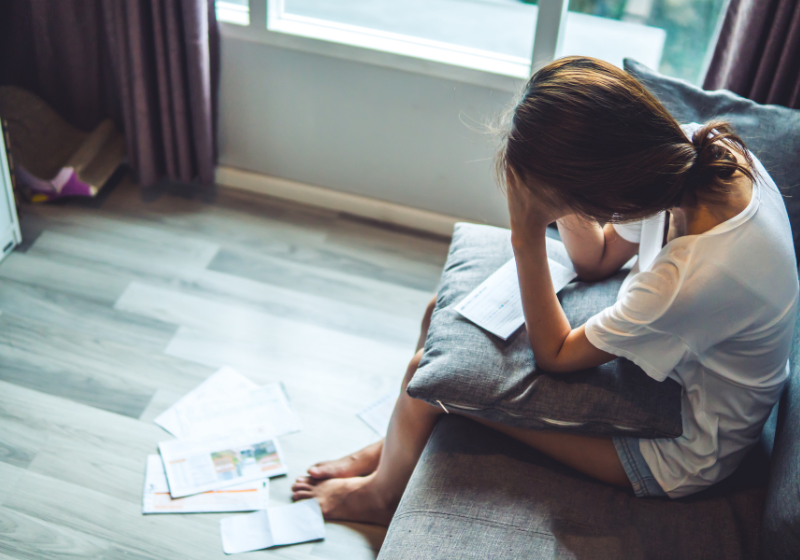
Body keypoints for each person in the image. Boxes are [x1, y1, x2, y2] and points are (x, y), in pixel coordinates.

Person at [291, 56, 799, 523]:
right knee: (437, 313)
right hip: (674, 365)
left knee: (426, 377)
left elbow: (555, 355)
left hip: (683, 447)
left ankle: (381, 495)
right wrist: (563, 191)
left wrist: (527, 231)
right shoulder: (690, 156)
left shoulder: (690, 276)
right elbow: (598, 259)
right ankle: (392, 446)